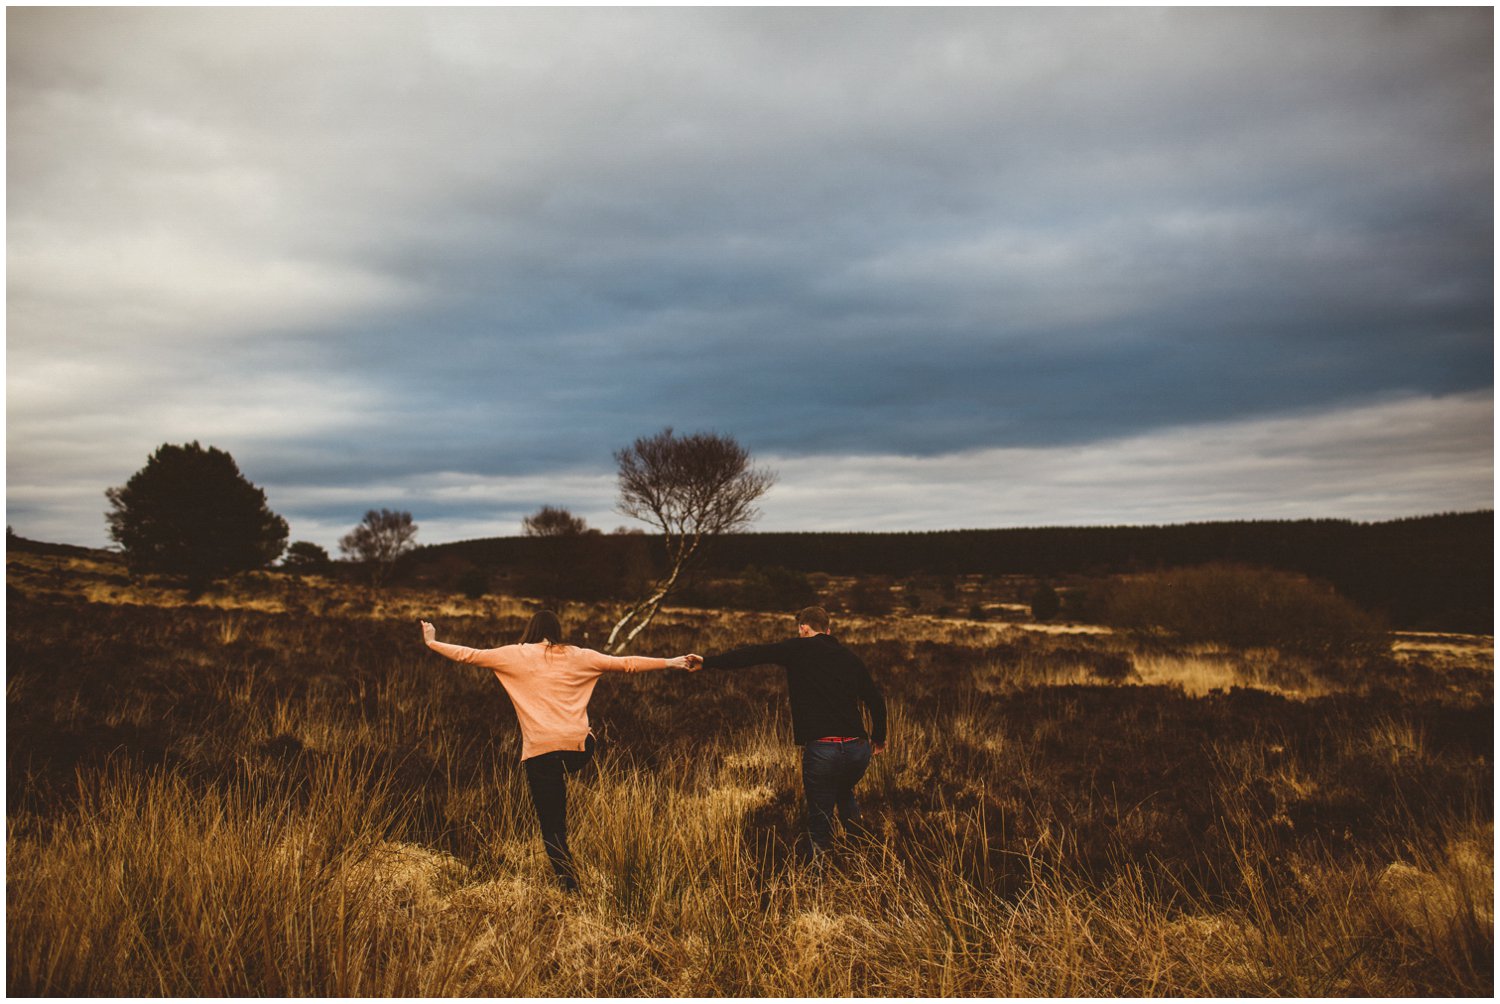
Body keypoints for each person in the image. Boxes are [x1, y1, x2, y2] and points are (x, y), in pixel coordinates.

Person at [421, 610, 696, 892]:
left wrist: (432, 642)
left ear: (531, 629)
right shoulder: (580, 655)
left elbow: (469, 654)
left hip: (540, 752)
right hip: (579, 749)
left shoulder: (514, 655)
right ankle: (584, 740)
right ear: (557, 630)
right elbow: (626, 663)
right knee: (584, 741)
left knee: (553, 826)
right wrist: (670, 662)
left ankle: (569, 886)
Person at [686, 605, 887, 864]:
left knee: (820, 818)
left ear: (803, 627)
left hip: (823, 750)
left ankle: (819, 878)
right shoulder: (850, 658)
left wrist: (708, 662)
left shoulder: (796, 648)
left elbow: (753, 654)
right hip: (858, 750)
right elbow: (875, 700)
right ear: (828, 630)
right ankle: (862, 856)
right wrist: (878, 737)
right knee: (843, 789)